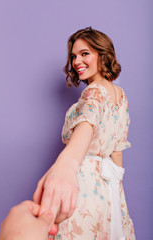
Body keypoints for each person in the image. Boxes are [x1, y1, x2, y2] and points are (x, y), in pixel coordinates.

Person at [33, 27, 136, 239]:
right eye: (73, 56)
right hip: (110, 187)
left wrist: (67, 163)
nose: (77, 61)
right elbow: (117, 151)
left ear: (103, 54)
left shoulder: (94, 91)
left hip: (85, 182)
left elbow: (87, 125)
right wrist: (115, 193)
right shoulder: (121, 96)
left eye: (85, 53)